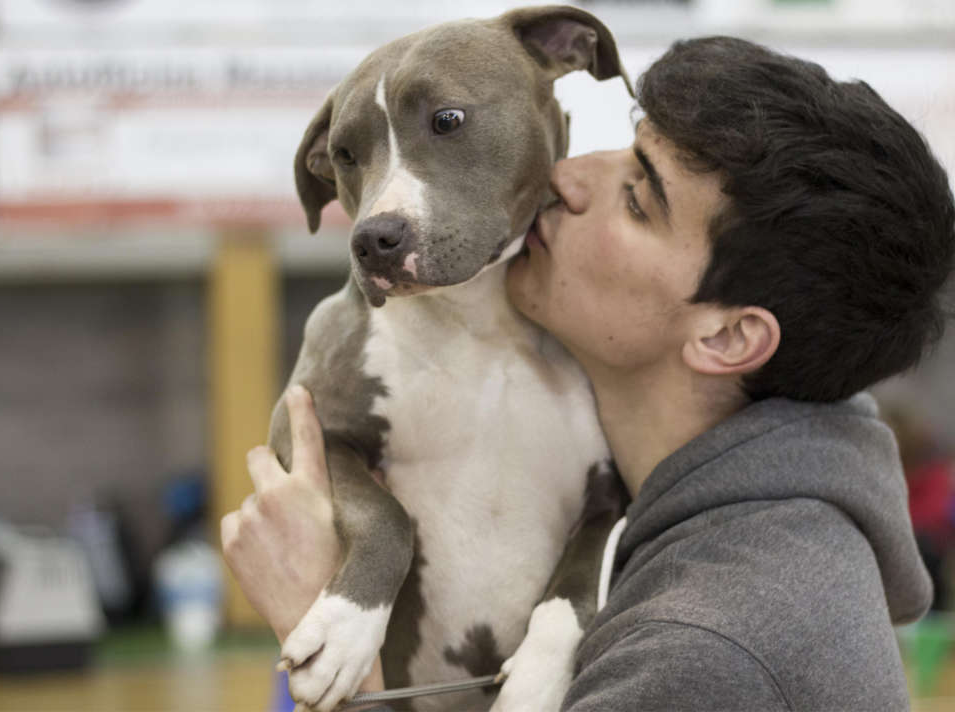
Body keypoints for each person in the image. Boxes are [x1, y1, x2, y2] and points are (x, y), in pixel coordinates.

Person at [222, 36, 955, 710]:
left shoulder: (701, 652)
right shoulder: (755, 531)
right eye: (624, 149)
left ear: (730, 335)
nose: (564, 174)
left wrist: (316, 632)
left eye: (637, 197)